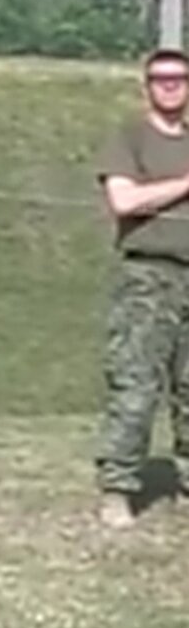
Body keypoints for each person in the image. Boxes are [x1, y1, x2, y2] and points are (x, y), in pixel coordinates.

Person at [96, 47, 189, 529]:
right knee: (135, 386)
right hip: (149, 279)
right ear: (147, 85)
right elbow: (125, 200)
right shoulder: (130, 136)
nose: (170, 85)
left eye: (179, 78)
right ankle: (118, 486)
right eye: (160, 78)